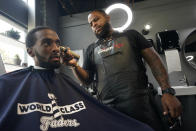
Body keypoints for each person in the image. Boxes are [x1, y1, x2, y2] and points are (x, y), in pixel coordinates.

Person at [0, 26, 154, 131]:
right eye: (47, 43)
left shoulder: (66, 82)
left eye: (57, 43)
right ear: (30, 51)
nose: (55, 48)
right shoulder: (7, 84)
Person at [66, 10, 182, 131]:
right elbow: (87, 80)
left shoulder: (131, 35)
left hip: (140, 106)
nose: (94, 24)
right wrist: (74, 66)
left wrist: (167, 91)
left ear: (107, 17)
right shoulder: (91, 49)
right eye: (90, 24)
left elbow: (155, 61)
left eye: (96, 19)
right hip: (110, 110)